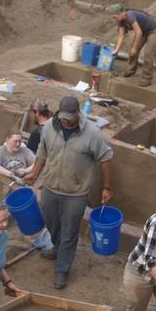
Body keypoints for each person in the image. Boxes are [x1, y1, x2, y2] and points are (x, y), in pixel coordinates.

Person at [23, 96, 114, 291]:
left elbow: (106, 159)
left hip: (76, 193)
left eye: (71, 119)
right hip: (50, 186)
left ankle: (62, 269)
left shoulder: (92, 133)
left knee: (69, 231)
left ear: (78, 113)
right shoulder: (49, 127)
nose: (67, 122)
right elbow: (42, 152)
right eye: (64, 118)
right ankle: (58, 247)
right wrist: (35, 173)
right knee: (51, 222)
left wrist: (107, 187)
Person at [111, 9, 156, 86]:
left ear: (120, 13)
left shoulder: (130, 16)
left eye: (115, 17)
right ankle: (130, 71)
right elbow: (121, 35)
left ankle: (147, 78)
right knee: (132, 52)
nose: (114, 19)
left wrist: (135, 48)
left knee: (148, 53)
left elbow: (138, 32)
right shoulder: (120, 21)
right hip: (143, 31)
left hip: (153, 30)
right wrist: (117, 50)